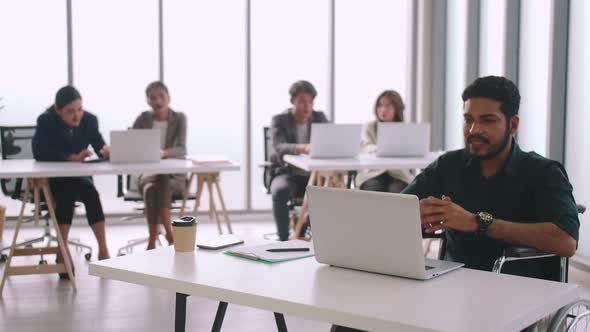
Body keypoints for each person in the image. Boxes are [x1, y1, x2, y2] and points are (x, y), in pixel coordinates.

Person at [331, 76, 580, 332]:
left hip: (515, 297)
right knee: (352, 320)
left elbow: (566, 241)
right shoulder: (449, 166)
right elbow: (397, 212)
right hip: (448, 289)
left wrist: (476, 222)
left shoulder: (543, 172)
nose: (474, 130)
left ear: (513, 124)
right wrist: (413, 217)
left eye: (487, 120)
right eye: (468, 119)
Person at [32, 86, 111, 278]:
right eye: (70, 111)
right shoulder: (46, 121)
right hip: (54, 179)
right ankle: (62, 251)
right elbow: (40, 152)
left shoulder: (89, 120)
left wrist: (106, 150)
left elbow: (99, 145)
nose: (77, 116)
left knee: (92, 194)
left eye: (79, 109)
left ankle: (103, 250)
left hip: (80, 177)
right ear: (58, 110)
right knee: (65, 196)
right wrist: (72, 157)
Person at [269, 80, 328, 241]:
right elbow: (279, 146)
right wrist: (303, 148)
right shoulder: (280, 120)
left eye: (310, 102)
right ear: (292, 101)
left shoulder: (319, 117)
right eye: (302, 101)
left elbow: (329, 140)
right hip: (287, 173)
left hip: (315, 175)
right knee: (280, 191)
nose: (307, 106)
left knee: (332, 192)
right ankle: (283, 240)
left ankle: (318, 236)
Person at [133, 81, 187, 250]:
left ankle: (153, 242)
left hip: (173, 177)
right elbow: (129, 144)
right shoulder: (143, 119)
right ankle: (168, 237)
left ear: (168, 97)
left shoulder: (179, 118)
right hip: (147, 173)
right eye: (153, 98)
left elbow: (182, 149)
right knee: (152, 185)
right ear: (148, 101)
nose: (158, 101)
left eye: (161, 96)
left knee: (157, 184)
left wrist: (163, 153)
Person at [355, 90, 414, 192]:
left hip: (399, 174)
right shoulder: (370, 127)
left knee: (397, 190)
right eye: (380, 105)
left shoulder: (404, 129)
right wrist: (381, 149)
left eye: (388, 106)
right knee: (373, 188)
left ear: (397, 108)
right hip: (373, 172)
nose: (383, 110)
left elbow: (411, 151)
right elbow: (366, 146)